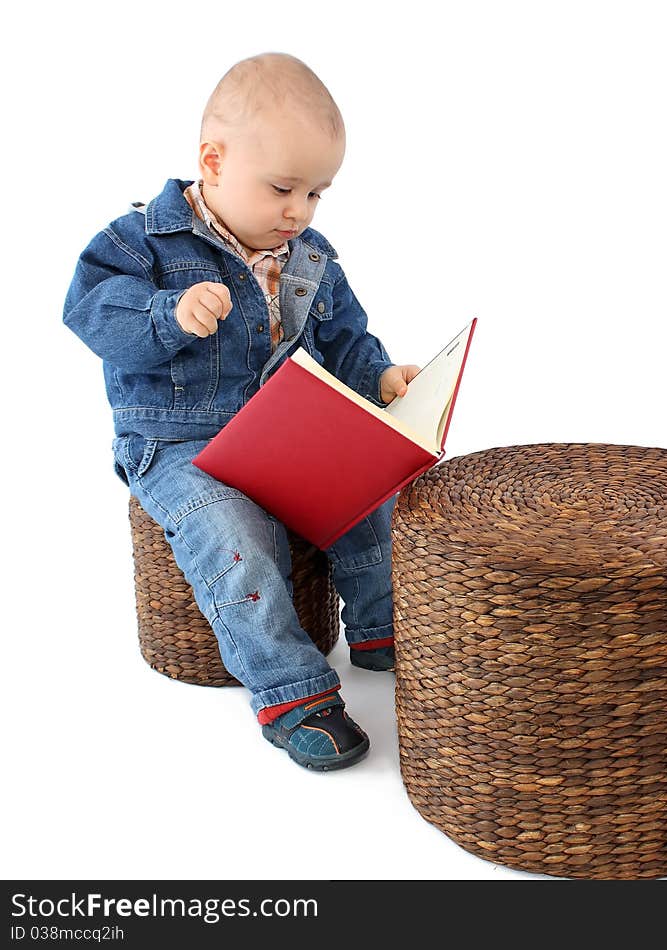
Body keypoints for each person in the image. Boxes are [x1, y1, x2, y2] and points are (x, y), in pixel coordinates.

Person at [63, 52, 420, 771]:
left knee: (367, 493)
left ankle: (387, 628)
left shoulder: (308, 256)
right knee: (233, 535)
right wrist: (167, 314)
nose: (300, 210)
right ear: (213, 161)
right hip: (177, 443)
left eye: (318, 193)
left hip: (279, 437)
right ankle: (292, 692)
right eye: (284, 188)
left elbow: (345, 336)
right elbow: (89, 311)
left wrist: (379, 375)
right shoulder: (142, 245)